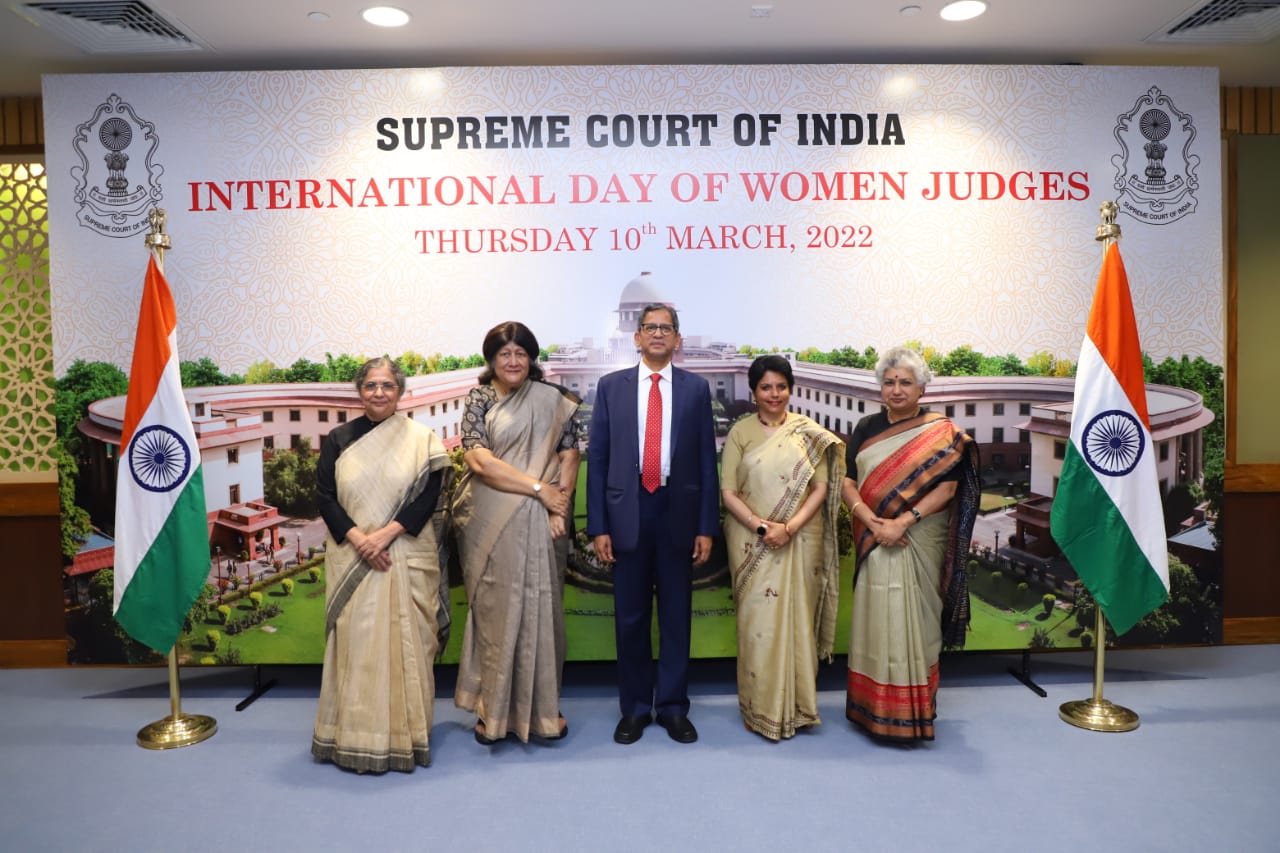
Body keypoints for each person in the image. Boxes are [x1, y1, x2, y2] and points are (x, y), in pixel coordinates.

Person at [311, 357, 452, 772]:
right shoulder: (338, 439)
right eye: (371, 385)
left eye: (387, 385)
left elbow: (428, 497)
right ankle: (352, 737)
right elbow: (324, 496)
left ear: (400, 392)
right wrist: (361, 540)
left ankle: (408, 736)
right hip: (353, 557)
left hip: (404, 554)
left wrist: (385, 535)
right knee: (357, 647)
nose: (379, 393)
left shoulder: (421, 439)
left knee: (410, 645)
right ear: (360, 391)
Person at [587, 302, 719, 745]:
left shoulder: (696, 389)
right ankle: (636, 709)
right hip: (628, 513)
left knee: (677, 617)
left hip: (677, 512)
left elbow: (706, 461)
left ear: (677, 339)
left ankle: (673, 708)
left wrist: (705, 526)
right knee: (630, 618)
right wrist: (599, 526)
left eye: (666, 328)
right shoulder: (612, 387)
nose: (658, 334)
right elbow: (598, 459)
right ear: (637, 337)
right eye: (650, 327)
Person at [451, 321, 583, 744]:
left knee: (544, 610)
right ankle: (492, 711)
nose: (513, 361)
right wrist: (540, 491)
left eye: (520, 353)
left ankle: (544, 709)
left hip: (545, 519)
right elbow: (479, 461)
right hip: (490, 517)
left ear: (531, 358)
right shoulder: (479, 399)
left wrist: (560, 505)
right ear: (492, 360)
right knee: (495, 613)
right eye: (504, 354)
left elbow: (570, 454)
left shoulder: (552, 399)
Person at [840, 346, 980, 743]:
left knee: (918, 620)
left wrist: (902, 521)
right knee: (874, 618)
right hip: (873, 535)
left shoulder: (941, 432)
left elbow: (948, 488)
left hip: (919, 538)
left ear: (922, 388)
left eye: (905, 382)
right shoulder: (866, 428)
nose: (896, 389)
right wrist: (872, 521)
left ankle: (915, 710)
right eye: (889, 382)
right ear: (880, 387)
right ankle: (872, 709)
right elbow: (848, 482)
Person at [720, 355, 845, 741]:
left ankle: (800, 708)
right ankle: (759, 709)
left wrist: (788, 528)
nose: (774, 394)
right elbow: (728, 492)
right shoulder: (740, 432)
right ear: (754, 391)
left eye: (781, 386)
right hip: (751, 543)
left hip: (800, 539)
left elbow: (820, 488)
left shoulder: (808, 433)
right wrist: (762, 527)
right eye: (765, 387)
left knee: (798, 622)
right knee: (757, 626)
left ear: (790, 389)